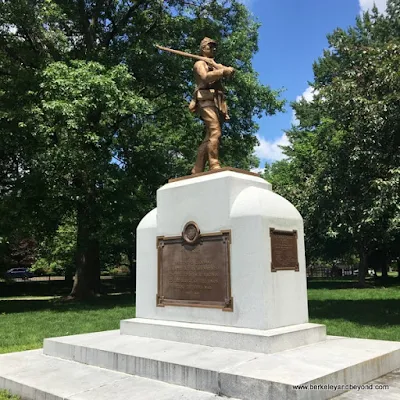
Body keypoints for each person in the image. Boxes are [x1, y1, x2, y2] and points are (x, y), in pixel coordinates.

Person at [189, 37, 235, 174]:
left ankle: (197, 169)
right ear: (203, 49)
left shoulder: (213, 64)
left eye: (214, 47)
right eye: (210, 47)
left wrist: (224, 70)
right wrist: (221, 72)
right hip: (205, 101)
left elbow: (225, 75)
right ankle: (214, 164)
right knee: (216, 131)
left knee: (209, 136)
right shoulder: (199, 64)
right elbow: (205, 77)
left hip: (215, 101)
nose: (213, 49)